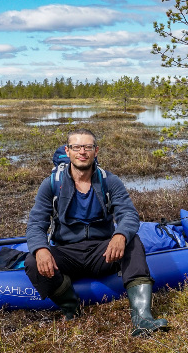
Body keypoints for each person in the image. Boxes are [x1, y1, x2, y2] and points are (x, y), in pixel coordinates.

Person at [24, 129, 168, 337]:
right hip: (67, 253)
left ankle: (142, 319)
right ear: (68, 151)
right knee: (31, 261)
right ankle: (71, 309)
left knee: (133, 242)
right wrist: (40, 249)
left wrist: (120, 236)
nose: (82, 152)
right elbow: (36, 223)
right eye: (76, 147)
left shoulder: (110, 181)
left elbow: (128, 214)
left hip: (103, 252)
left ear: (95, 151)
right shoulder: (51, 184)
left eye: (88, 147)